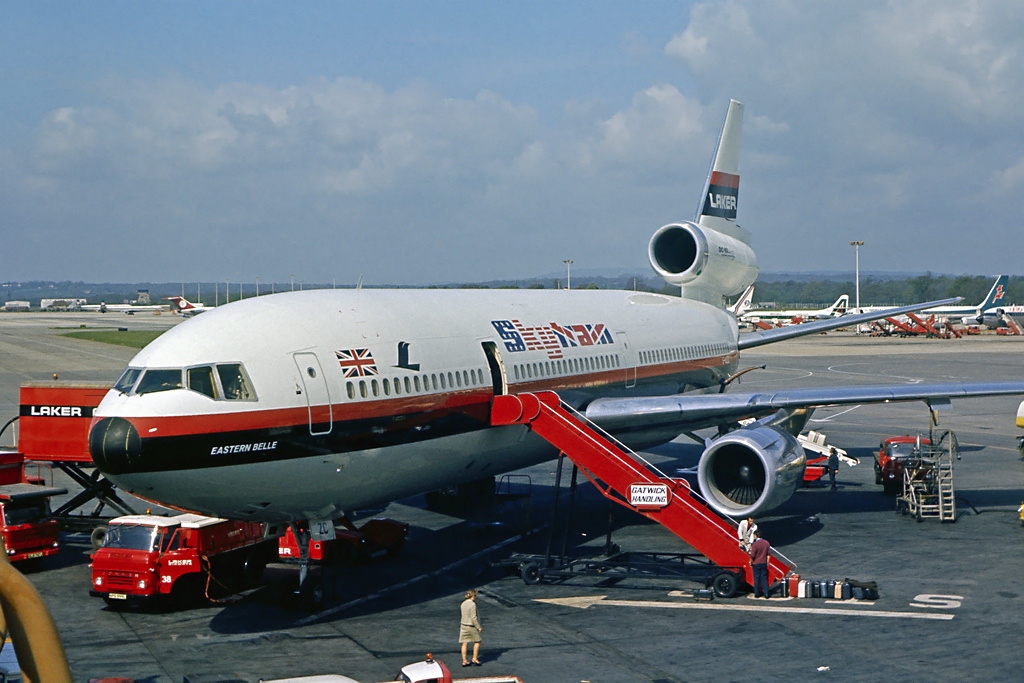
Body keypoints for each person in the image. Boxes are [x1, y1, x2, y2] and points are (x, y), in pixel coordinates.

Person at [459, 588, 483, 666]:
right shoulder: (472, 604)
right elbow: (473, 617)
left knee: (464, 642)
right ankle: (474, 658)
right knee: (477, 641)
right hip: (470, 626)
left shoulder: (463, 603)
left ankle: (464, 660)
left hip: (463, 625)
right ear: (474, 596)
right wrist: (478, 627)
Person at [748, 531, 771, 598]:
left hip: (756, 563)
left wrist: (750, 561)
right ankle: (766, 594)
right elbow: (768, 554)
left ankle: (757, 594)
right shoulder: (766, 543)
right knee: (764, 578)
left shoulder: (755, 544)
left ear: (756, 535)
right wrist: (767, 563)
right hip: (763, 562)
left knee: (756, 578)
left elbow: (752, 555)